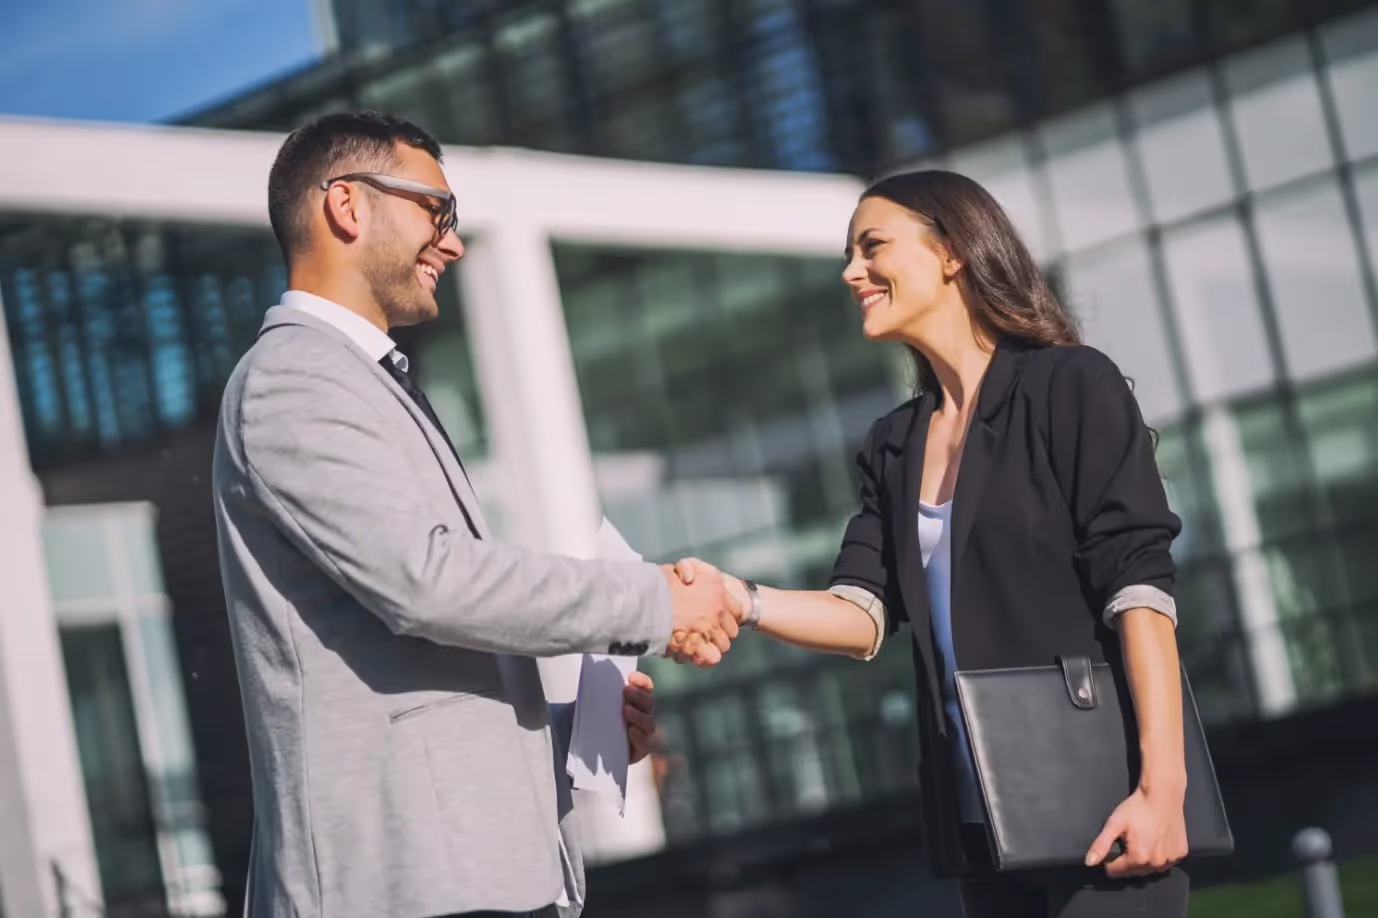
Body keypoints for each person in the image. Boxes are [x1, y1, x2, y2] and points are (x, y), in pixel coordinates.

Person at [212, 111, 740, 918]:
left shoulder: (356, 378)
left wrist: (571, 736)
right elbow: (430, 584)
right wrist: (654, 600)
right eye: (437, 211)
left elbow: (417, 680)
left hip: (456, 877)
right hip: (402, 889)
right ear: (347, 205)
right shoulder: (292, 381)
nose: (453, 243)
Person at [676, 170, 1191, 917]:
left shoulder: (1069, 384)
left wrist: (1162, 787)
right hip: (982, 818)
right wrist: (740, 598)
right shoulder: (895, 443)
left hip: (1104, 803)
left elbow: (1138, 586)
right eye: (849, 255)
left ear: (951, 252)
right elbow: (862, 614)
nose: (852, 272)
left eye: (872, 247)